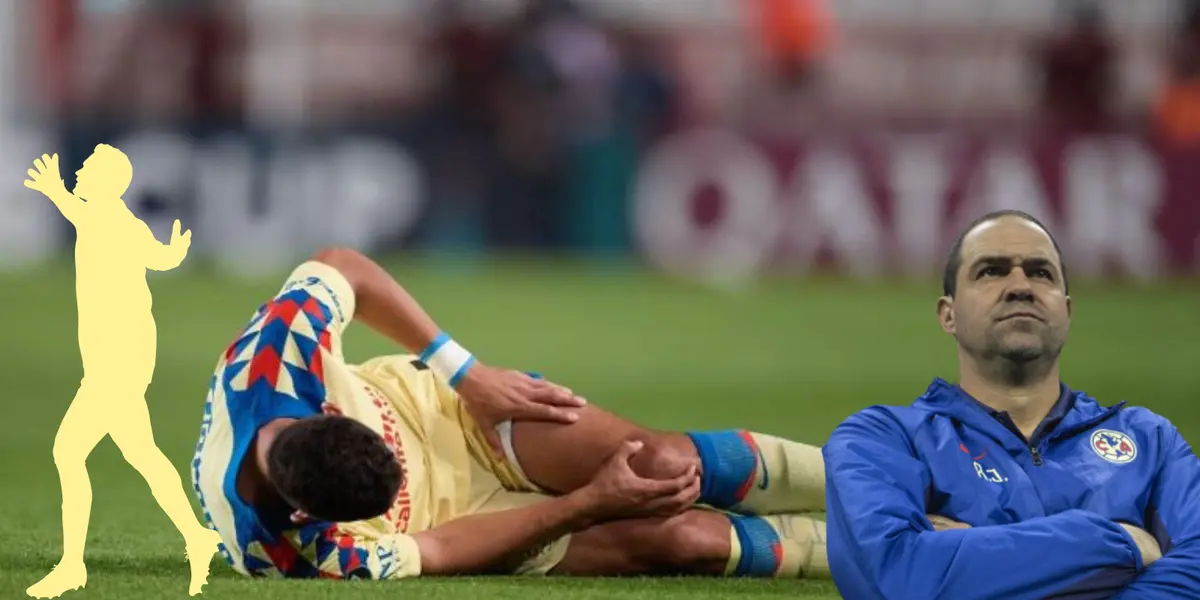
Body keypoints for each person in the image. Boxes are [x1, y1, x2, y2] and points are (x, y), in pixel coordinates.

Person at [191, 246, 830, 580]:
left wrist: (462, 373)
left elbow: (345, 268)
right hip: (465, 519)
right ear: (307, 515)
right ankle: (904, 547)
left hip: (453, 415)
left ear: (324, 412)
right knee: (689, 541)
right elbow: (437, 547)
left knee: (663, 463)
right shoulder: (293, 555)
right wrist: (585, 507)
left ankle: (876, 479)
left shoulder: (276, 359)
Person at [823, 210, 1200, 599]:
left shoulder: (1151, 442)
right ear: (948, 314)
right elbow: (895, 576)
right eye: (991, 271)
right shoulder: (883, 440)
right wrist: (1123, 541)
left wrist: (980, 556)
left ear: (1067, 312)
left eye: (1041, 273)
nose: (1020, 286)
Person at [23, 148, 222, 598]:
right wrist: (175, 250)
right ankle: (196, 536)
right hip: (118, 358)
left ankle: (72, 565)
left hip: (116, 360)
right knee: (141, 454)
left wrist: (54, 189)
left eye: (88, 169)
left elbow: (81, 215)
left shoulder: (107, 221)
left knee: (69, 452)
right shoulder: (124, 224)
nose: (80, 173)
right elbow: (161, 259)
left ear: (107, 182)